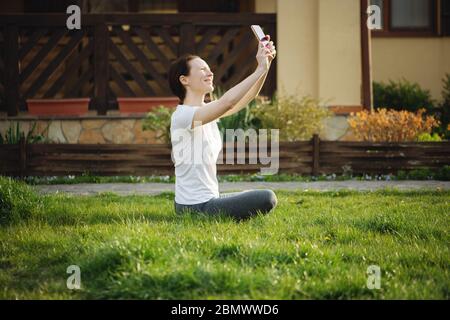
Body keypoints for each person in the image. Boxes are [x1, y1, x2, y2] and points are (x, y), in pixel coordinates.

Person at [168, 34, 277, 220]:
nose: (210, 73)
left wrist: (264, 66)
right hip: (195, 207)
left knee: (253, 194)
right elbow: (227, 103)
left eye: (209, 69)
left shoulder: (205, 111)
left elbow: (244, 99)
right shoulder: (183, 116)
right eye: (202, 69)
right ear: (184, 80)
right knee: (267, 197)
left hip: (210, 199)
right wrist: (258, 69)